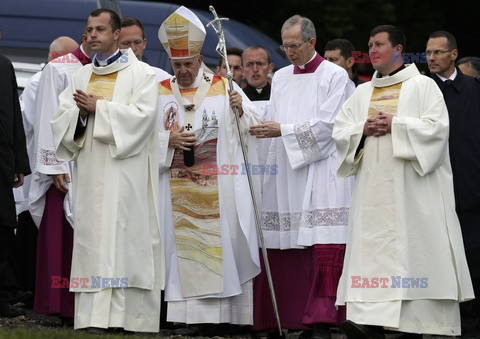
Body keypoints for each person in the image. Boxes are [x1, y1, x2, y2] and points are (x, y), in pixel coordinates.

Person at [332, 25, 474, 338]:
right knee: (373, 254)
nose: (371, 50)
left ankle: (413, 323)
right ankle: (368, 321)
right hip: (372, 193)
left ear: (398, 49)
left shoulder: (423, 86)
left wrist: (397, 123)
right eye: (369, 45)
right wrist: (362, 131)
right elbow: (340, 133)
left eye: (379, 44)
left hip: (412, 190)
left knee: (414, 251)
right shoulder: (362, 92)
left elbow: (437, 130)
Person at [50, 8, 164, 333]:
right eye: (89, 29)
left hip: (124, 172)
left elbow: (144, 118)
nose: (93, 35)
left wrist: (98, 108)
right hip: (90, 173)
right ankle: (93, 318)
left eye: (100, 29)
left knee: (126, 239)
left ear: (117, 35)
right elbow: (61, 119)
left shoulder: (142, 75)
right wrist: (83, 116)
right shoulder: (80, 76)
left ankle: (128, 318)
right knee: (93, 241)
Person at [157, 5, 261, 334]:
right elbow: (144, 137)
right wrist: (167, 139)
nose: (183, 70)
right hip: (176, 186)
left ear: (200, 60)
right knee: (181, 248)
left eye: (188, 63)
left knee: (223, 244)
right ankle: (188, 318)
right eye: (177, 64)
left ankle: (225, 319)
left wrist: (241, 111)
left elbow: (254, 128)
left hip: (218, 185)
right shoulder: (160, 91)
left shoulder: (224, 86)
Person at [248, 15, 353, 338]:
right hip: (286, 172)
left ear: (311, 42)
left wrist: (284, 131)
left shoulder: (335, 76)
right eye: (285, 46)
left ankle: (322, 320)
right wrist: (247, 112)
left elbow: (332, 125)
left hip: (322, 170)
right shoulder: (279, 77)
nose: (289, 52)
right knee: (286, 242)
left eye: (295, 45)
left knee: (321, 241)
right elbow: (272, 117)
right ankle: (291, 316)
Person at [14, 35, 78, 312]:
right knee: (34, 237)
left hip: (57, 166)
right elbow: (30, 121)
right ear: (55, 57)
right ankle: (37, 291)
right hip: (42, 169)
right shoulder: (40, 82)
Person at [29, 34, 88, 323]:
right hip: (63, 168)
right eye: (92, 30)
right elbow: (45, 117)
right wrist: (54, 166)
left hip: (95, 165)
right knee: (59, 236)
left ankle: (86, 303)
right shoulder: (59, 69)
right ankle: (57, 301)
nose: (95, 36)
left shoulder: (119, 70)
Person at [426, 30, 480, 338]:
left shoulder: (474, 88)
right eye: (428, 52)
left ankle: (472, 321)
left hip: (470, 185)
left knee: (473, 255)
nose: (431, 58)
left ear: (454, 55)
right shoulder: (420, 90)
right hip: (433, 187)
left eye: (438, 52)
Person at [0, 53, 31, 317]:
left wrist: (20, 161)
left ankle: (2, 294)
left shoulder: (4, 65)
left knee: (3, 227)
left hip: (2, 161)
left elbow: (14, 117)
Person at [119, 16, 170, 82]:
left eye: (137, 42)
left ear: (144, 43)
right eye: (126, 43)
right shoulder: (105, 80)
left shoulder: (162, 78)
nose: (133, 49)